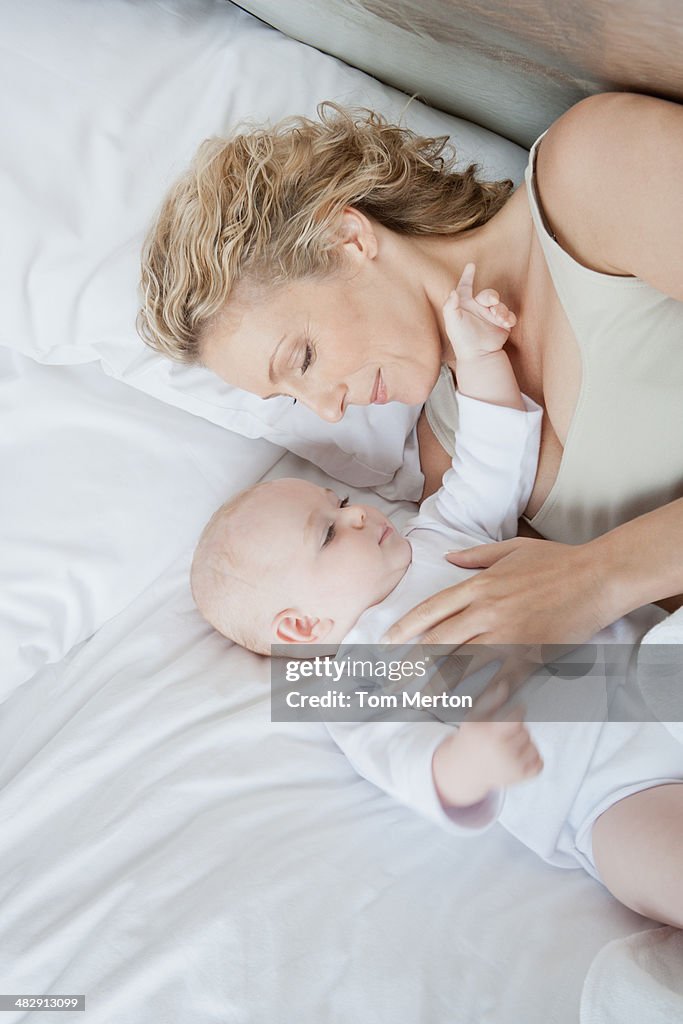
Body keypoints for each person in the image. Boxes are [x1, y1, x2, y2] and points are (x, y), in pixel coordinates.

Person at [189, 273, 683, 927]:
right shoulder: (348, 679)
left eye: (341, 504)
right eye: (330, 534)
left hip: (662, 669)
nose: (359, 516)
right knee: (654, 868)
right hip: (606, 793)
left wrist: (478, 358)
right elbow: (400, 760)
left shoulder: (437, 541)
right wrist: (464, 765)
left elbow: (489, 464)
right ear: (302, 625)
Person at [137, 92, 683, 653]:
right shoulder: (449, 456)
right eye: (296, 399)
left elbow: (597, 591)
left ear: (348, 239)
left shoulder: (596, 174)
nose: (330, 409)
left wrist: (599, 576)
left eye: (303, 358)